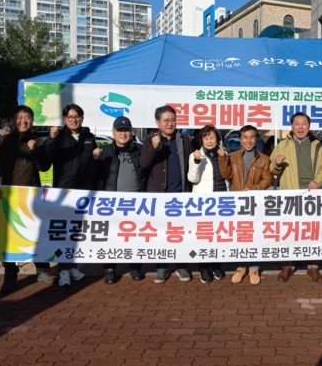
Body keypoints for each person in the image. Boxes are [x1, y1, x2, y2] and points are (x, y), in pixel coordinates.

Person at [0, 105, 53, 293]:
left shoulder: (38, 142)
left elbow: (44, 167)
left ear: (32, 121)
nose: (24, 121)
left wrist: (34, 151)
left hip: (31, 197)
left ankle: (42, 269)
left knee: (36, 233)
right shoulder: (2, 142)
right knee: (8, 237)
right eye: (19, 117)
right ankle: (10, 274)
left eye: (27, 117)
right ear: (13, 121)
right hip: (6, 197)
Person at [270, 112, 322, 283]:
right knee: (288, 230)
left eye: (304, 123)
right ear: (292, 126)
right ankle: (287, 265)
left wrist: (318, 181)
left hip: (312, 195)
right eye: (297, 123)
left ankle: (313, 266)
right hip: (289, 195)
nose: (300, 127)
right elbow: (272, 169)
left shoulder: (317, 145)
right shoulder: (282, 145)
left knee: (312, 230)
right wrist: (276, 164)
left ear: (309, 126)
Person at [44, 104, 97, 287]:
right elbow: (46, 159)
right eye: (70, 117)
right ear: (64, 119)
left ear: (82, 118)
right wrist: (51, 139)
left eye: (77, 116)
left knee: (78, 233)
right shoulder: (58, 136)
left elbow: (92, 163)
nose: (74, 120)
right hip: (64, 191)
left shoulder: (89, 137)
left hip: (84, 192)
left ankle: (73, 267)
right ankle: (63, 270)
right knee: (64, 233)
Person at [140, 105, 192, 284]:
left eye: (173, 120)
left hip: (181, 195)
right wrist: (154, 147)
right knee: (160, 234)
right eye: (166, 120)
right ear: (157, 122)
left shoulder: (184, 139)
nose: (170, 123)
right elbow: (144, 164)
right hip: (158, 197)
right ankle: (161, 269)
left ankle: (181, 266)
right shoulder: (149, 141)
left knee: (180, 233)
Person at [94, 116, 146, 284]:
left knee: (134, 236)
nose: (123, 134)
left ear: (131, 132)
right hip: (112, 203)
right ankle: (110, 268)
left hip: (136, 202)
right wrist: (93, 159)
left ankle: (135, 266)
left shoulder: (140, 149)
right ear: (113, 132)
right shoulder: (104, 151)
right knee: (111, 237)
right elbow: (94, 175)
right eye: (120, 130)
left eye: (126, 130)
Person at [219, 124, 272, 285]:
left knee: (255, 235)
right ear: (240, 139)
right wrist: (223, 158)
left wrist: (253, 189)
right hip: (237, 203)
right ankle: (241, 267)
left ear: (256, 139)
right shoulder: (232, 156)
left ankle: (254, 267)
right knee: (240, 235)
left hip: (255, 203)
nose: (248, 141)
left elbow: (267, 180)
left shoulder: (264, 159)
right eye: (245, 137)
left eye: (252, 137)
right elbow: (226, 174)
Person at [188, 125, 228, 283]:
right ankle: (204, 267)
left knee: (218, 235)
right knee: (204, 236)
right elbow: (192, 179)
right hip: (204, 204)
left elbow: (228, 176)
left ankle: (216, 265)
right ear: (201, 140)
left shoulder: (224, 154)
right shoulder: (195, 155)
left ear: (217, 139)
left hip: (222, 201)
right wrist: (197, 161)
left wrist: (224, 157)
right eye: (206, 138)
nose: (209, 141)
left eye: (212, 137)